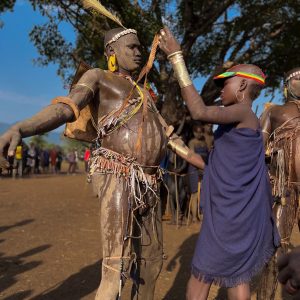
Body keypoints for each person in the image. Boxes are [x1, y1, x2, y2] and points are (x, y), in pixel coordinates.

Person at [0, 27, 175, 300]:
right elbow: (66, 108)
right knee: (115, 266)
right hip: (118, 175)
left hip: (150, 182)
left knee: (151, 263)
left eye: (141, 47)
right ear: (111, 52)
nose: (139, 51)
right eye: (131, 46)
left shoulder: (144, 92)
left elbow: (168, 136)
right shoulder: (98, 77)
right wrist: (22, 128)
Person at [158, 27, 280, 300]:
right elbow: (211, 166)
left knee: (201, 275)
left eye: (226, 83)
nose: (220, 88)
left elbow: (199, 111)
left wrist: (177, 57)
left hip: (228, 218)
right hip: (236, 214)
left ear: (243, 86)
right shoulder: (240, 122)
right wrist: (174, 142)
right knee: (238, 277)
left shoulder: (242, 111)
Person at [257, 67, 300, 299]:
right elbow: (257, 148)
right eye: (299, 78)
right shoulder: (274, 112)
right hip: (285, 191)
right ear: (287, 84)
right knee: (275, 248)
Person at [187, 124, 208, 223]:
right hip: (193, 170)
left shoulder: (205, 143)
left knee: (204, 192)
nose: (199, 134)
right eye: (197, 132)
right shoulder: (192, 142)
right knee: (194, 193)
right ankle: (194, 217)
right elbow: (192, 157)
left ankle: (202, 214)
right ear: (194, 132)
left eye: (200, 132)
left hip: (204, 169)